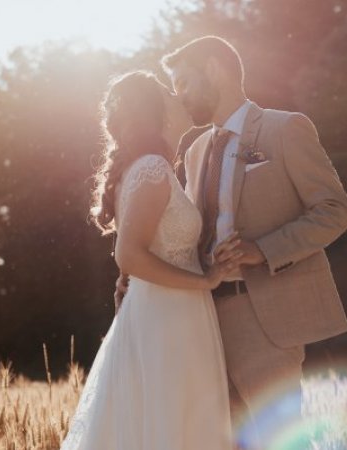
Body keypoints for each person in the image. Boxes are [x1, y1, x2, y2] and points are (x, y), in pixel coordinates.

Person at [115, 36, 347, 449]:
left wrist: (264, 249)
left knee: (275, 441)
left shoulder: (286, 129)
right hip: (200, 322)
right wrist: (140, 277)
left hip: (265, 320)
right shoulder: (194, 151)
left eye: (184, 83)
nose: (180, 97)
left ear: (213, 69)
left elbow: (336, 210)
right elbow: (186, 234)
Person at [60, 71, 241, 450]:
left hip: (174, 312)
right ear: (155, 110)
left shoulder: (156, 168)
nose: (177, 94)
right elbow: (128, 255)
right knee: (171, 424)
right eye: (166, 91)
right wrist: (206, 280)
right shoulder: (151, 169)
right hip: (167, 316)